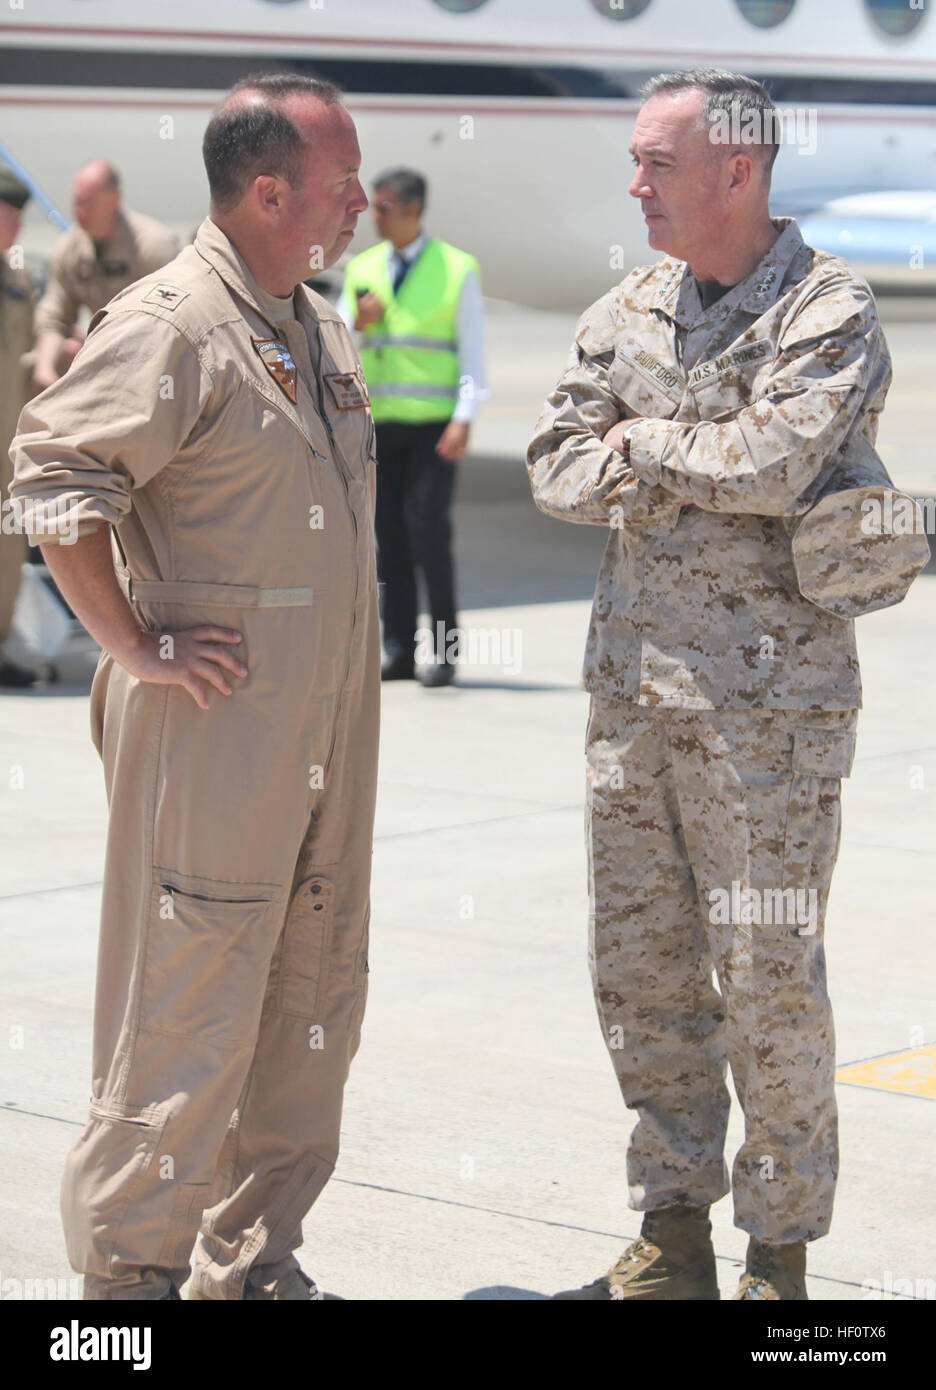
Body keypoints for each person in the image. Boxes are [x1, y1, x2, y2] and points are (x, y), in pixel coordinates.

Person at [527, 69, 897, 1301]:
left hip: (772, 717)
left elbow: (780, 460)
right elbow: (553, 464)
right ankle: (670, 1237)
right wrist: (666, 454)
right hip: (634, 698)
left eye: (656, 162)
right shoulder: (628, 305)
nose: (635, 185)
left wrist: (642, 443)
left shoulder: (827, 309)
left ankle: (777, 1262)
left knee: (767, 983)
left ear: (737, 171)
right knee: (643, 975)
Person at [10, 71, 378, 1301]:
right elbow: (56, 476)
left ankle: (251, 1257)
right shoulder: (172, 321)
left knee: (309, 987)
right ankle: (126, 1288)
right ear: (269, 192)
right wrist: (130, 643)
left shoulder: (313, 320)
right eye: (341, 185)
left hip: (320, 730)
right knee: (188, 999)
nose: (363, 203)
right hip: (216, 732)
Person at [339, 168, 487, 686]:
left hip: (433, 427)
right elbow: (337, 348)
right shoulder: (364, 267)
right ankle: (398, 650)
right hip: (381, 427)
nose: (373, 217)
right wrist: (361, 322)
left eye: (382, 207)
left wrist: (464, 418)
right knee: (389, 541)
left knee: (429, 535)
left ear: (412, 210)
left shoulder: (457, 269)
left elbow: (472, 353)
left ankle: (444, 653)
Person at [31, 160, 178, 391]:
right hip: (101, 360)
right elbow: (54, 317)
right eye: (77, 202)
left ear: (116, 201)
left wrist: (99, 350)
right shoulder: (69, 250)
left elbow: (172, 326)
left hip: (154, 365)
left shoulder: (153, 247)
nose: (81, 212)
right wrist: (45, 369)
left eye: (89, 204)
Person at [0, 166, 37, 687]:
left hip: (8, 443)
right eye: (8, 218)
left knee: (9, 547)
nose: (15, 230)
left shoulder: (18, 278)